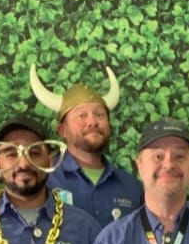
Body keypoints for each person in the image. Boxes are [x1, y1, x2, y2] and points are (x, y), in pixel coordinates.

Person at [29, 64, 142, 225]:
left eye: (99, 114)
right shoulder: (43, 179)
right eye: (81, 115)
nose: (92, 122)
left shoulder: (132, 187)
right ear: (62, 130)